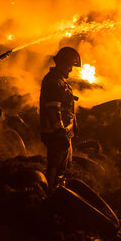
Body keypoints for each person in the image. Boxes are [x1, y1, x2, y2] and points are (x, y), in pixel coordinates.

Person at [39, 46, 81, 190]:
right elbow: (53, 108)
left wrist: (73, 125)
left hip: (63, 132)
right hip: (55, 133)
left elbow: (66, 107)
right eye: (69, 65)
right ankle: (48, 194)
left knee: (63, 166)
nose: (71, 69)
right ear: (62, 63)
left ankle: (58, 190)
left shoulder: (60, 80)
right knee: (55, 168)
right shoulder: (53, 81)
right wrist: (59, 131)